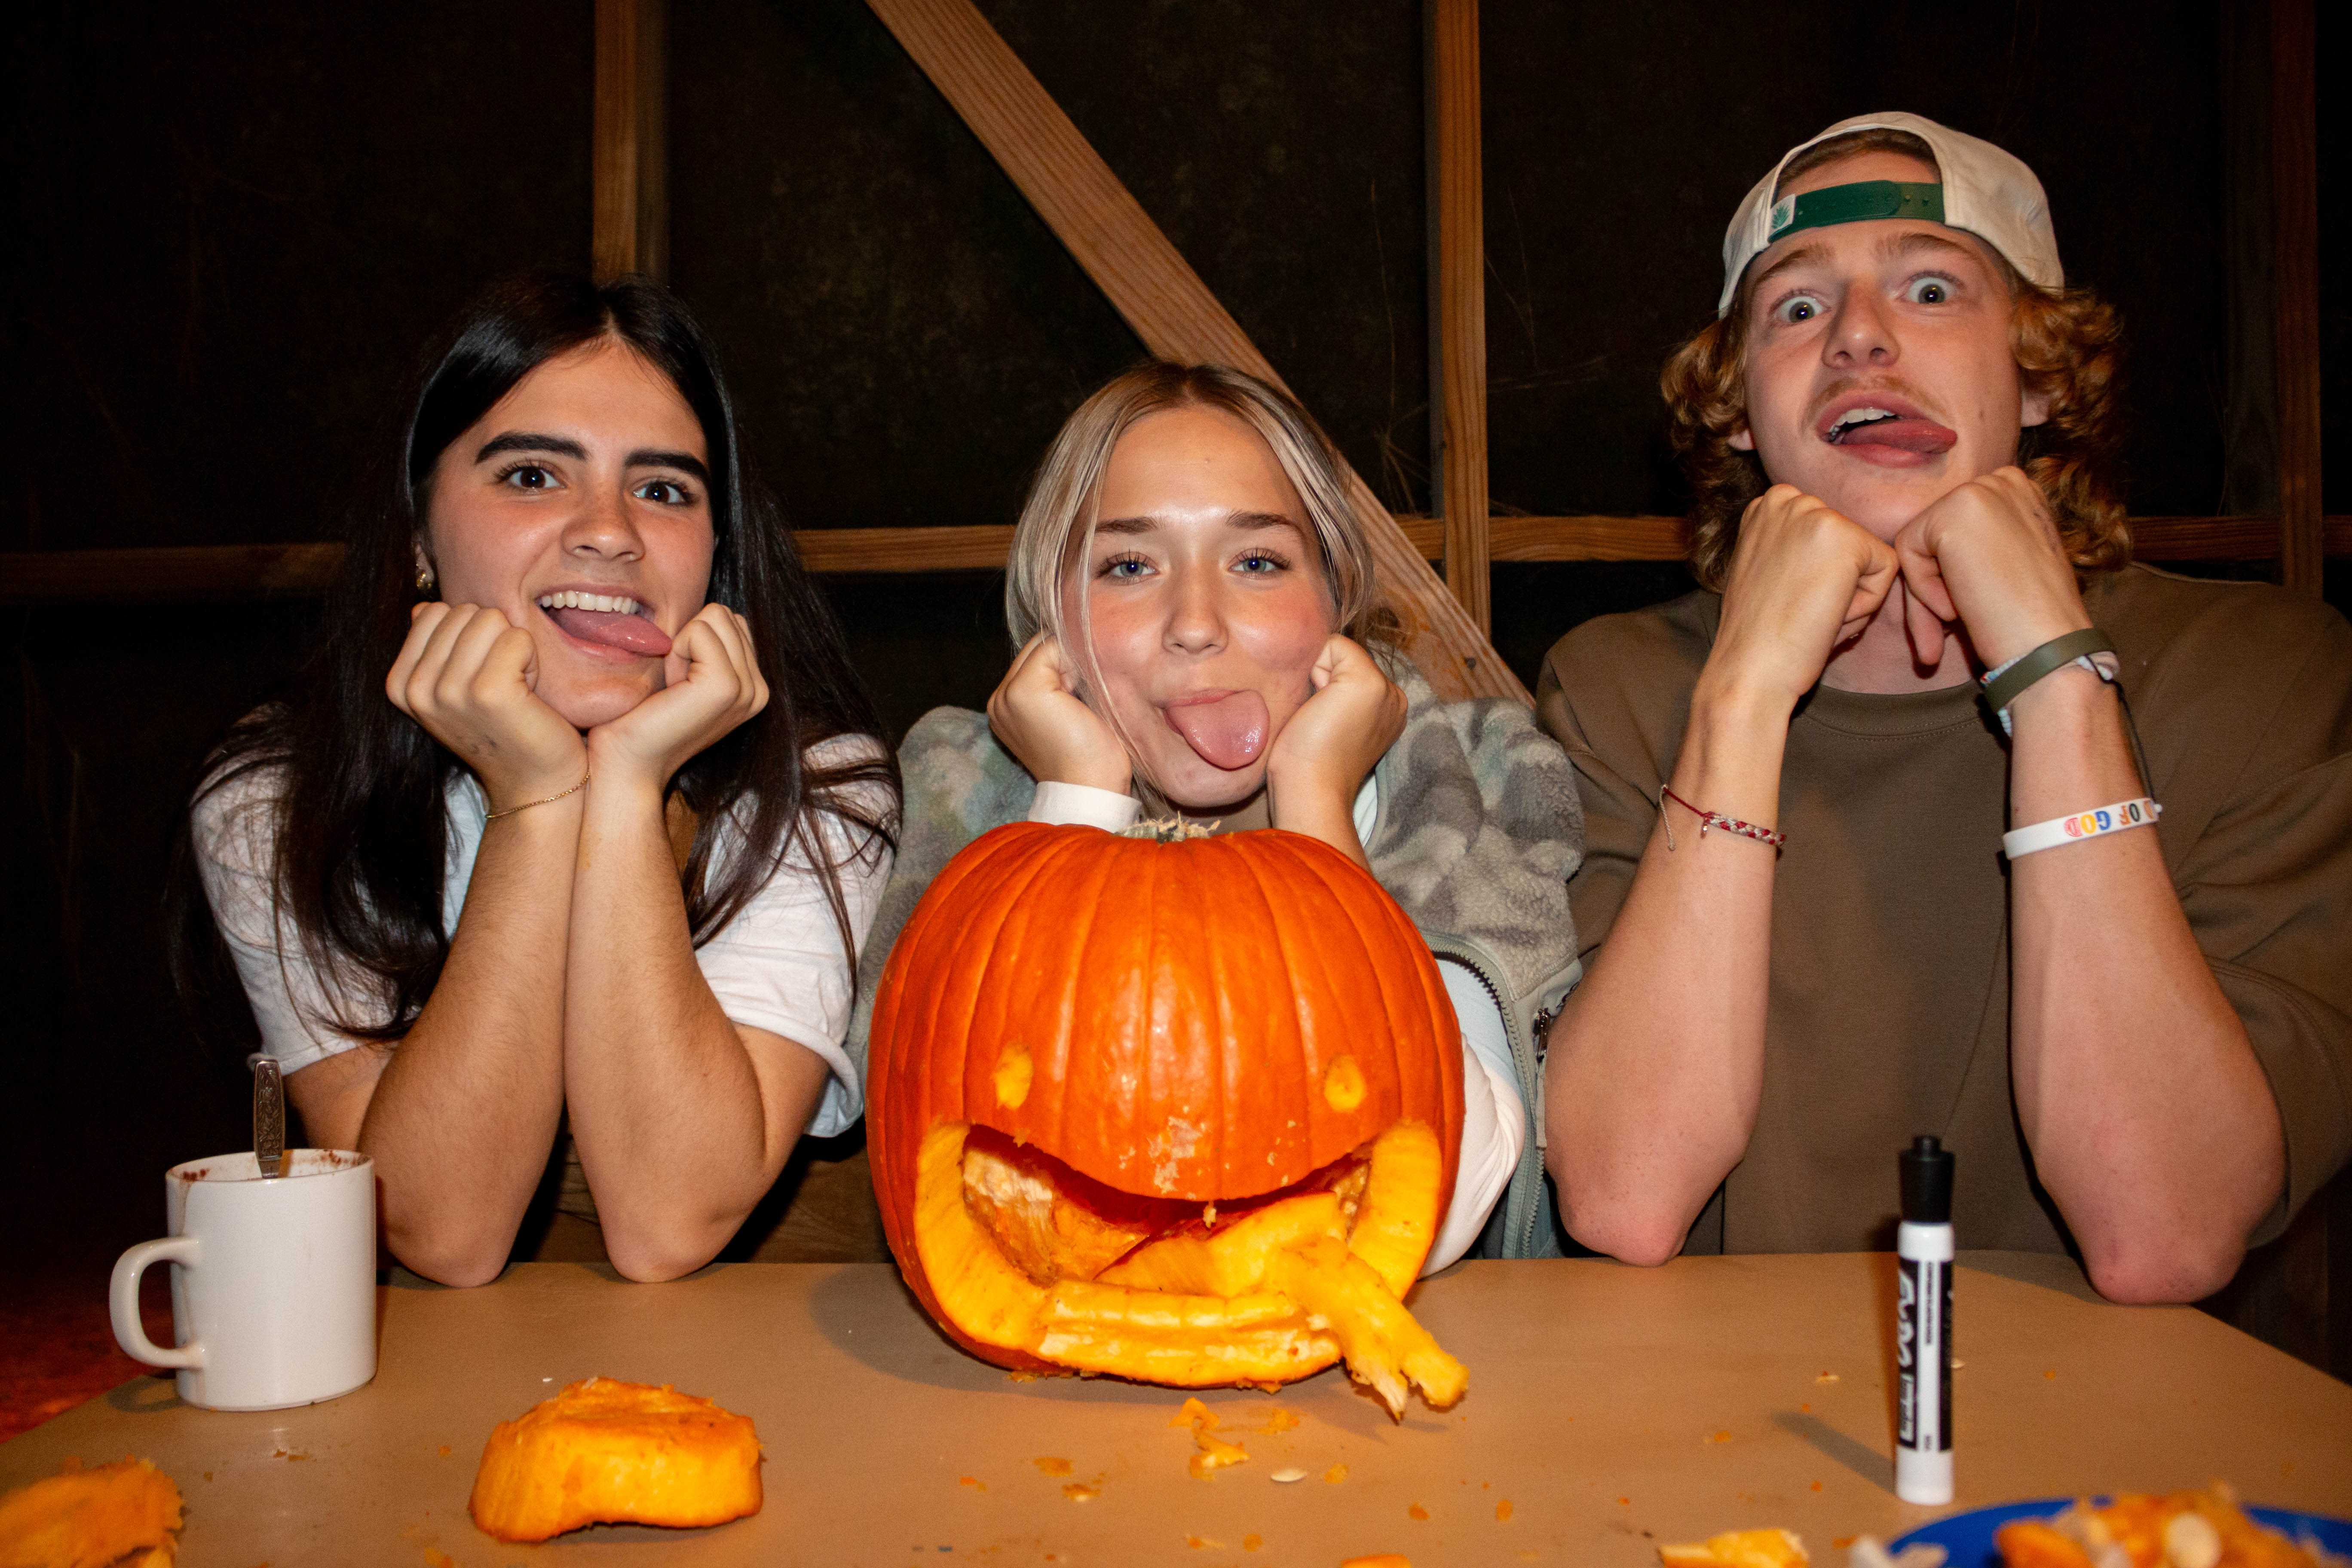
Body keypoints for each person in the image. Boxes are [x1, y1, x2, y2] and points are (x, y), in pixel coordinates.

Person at [1537, 113, 2352, 1302]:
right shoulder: (1619, 689)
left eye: (1930, 289)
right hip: (1705, 1436)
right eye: (1798, 309)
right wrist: (1745, 697)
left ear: (2036, 377)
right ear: (1737, 412)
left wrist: (2061, 685)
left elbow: (2163, 1231)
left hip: (2126, 1469)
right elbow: (1625, 1194)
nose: (1861, 339)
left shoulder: (2263, 676)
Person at [182, 273, 899, 1286]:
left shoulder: (817, 785)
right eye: (532, 476)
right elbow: (441, 1233)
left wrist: (625, 779)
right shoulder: (278, 792)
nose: (610, 530)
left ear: (716, 556)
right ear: (421, 539)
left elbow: (668, 1221)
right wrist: (533, 805)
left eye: (663, 490)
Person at [847, 361, 1582, 1266]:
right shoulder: (965, 798)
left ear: (1337, 598)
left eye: (1258, 561)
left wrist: (1314, 798)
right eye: (1128, 566)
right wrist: (1080, 797)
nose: (1195, 622)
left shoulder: (1463, 792)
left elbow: (1420, 1210)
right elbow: (979, 1177)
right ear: (1056, 618)